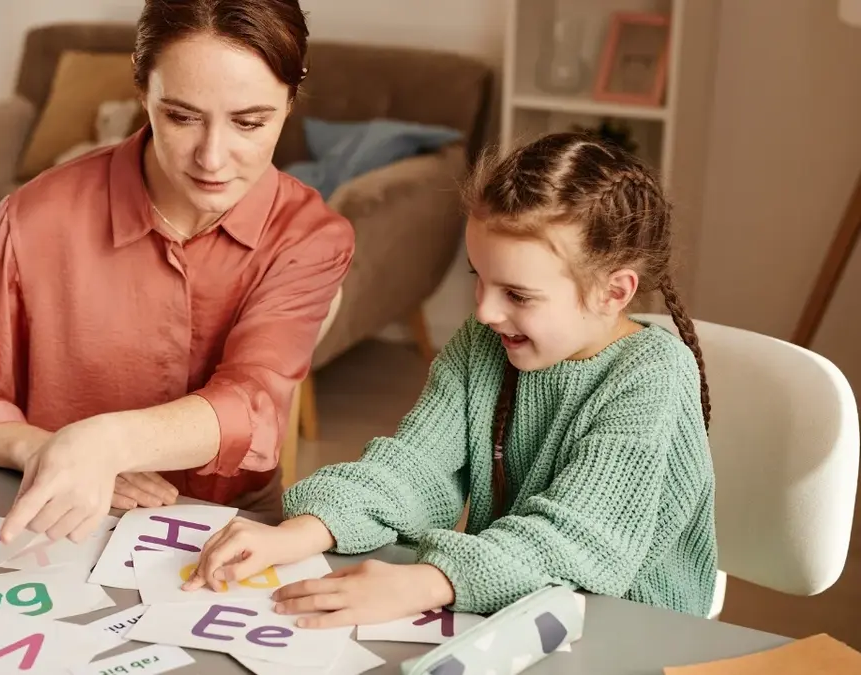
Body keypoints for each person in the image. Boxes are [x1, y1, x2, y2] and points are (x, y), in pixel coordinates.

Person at [184, 132, 719, 625]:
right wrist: (303, 531)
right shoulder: (485, 343)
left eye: (516, 294)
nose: (484, 311)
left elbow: (577, 540)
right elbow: (415, 466)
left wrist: (426, 581)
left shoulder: (653, 378)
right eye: (478, 279)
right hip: (513, 609)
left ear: (615, 292)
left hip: (628, 629)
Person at [0, 0, 354, 545]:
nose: (213, 158)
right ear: (141, 91)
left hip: (222, 527)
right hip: (52, 512)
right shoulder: (37, 216)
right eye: (182, 116)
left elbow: (252, 404)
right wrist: (39, 448)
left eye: (249, 122)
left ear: (290, 101)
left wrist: (104, 442)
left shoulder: (310, 236)